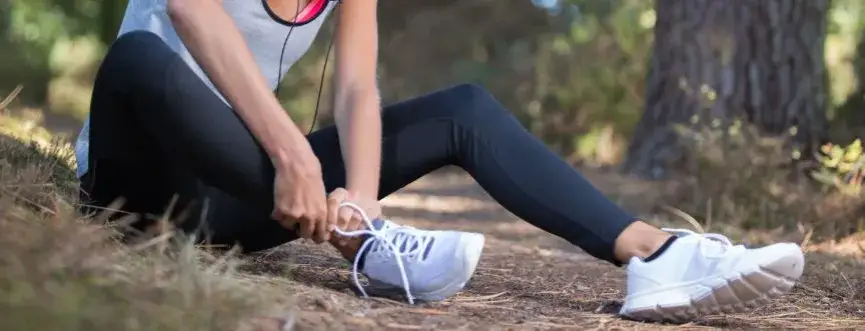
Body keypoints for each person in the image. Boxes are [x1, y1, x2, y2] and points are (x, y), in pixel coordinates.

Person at [74, 0, 805, 323]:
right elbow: (190, 10)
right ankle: (371, 250)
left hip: (238, 201)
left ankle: (652, 252)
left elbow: (358, 84)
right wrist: (293, 151)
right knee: (137, 56)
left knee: (464, 108)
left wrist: (358, 195)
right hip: (135, 187)